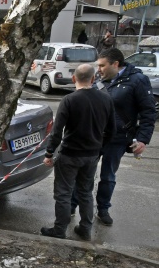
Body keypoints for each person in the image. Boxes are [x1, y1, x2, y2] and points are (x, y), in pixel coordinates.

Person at [71, 48, 156, 226]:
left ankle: (103, 209)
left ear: (115, 64)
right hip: (94, 137)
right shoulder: (100, 80)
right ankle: (71, 205)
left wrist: (142, 139)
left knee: (108, 176)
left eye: (102, 65)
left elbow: (148, 112)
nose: (98, 69)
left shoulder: (137, 80)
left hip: (117, 137)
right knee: (84, 173)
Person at [40, 64, 116, 241]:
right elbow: (112, 130)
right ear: (93, 78)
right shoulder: (106, 99)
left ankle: (60, 229)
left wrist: (49, 153)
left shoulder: (69, 100)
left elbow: (57, 131)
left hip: (69, 155)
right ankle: (85, 228)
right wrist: (100, 149)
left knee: (63, 193)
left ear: (74, 79)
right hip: (91, 156)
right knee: (85, 192)